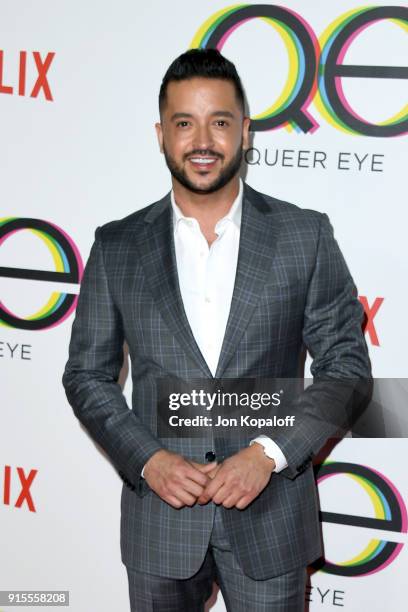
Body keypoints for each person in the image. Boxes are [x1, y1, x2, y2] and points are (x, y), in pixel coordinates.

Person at [62, 48, 372, 611]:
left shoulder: (305, 236)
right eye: (185, 123)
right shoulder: (117, 246)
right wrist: (149, 460)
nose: (202, 140)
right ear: (161, 134)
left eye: (220, 122)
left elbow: (347, 369)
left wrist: (269, 453)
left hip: (270, 514)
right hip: (160, 520)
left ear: (245, 131)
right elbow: (87, 375)